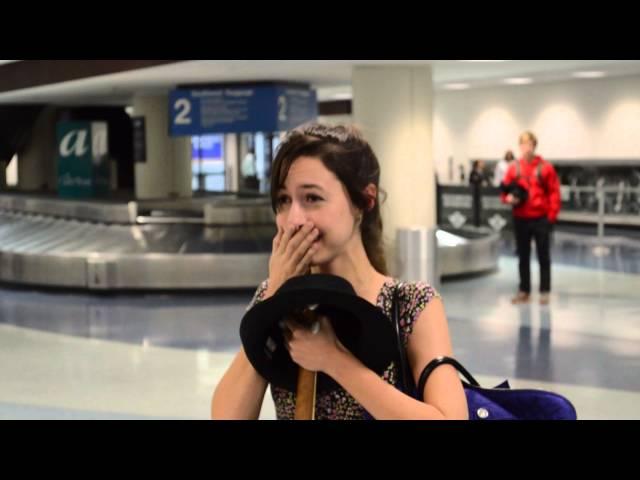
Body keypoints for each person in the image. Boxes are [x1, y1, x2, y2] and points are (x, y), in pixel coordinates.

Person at [211, 123, 468, 420]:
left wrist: (335, 361)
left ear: (364, 201)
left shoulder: (412, 303)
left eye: (312, 198)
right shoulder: (276, 299)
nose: (293, 219)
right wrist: (273, 299)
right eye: (283, 200)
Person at [501, 132, 561, 305]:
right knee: (523, 255)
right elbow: (505, 191)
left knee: (544, 255)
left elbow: (554, 193)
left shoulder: (545, 168)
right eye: (522, 144)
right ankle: (524, 290)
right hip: (521, 218)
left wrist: (551, 217)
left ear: (534, 145)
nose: (525, 147)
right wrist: (508, 199)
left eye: (529, 144)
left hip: (541, 218)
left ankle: (544, 291)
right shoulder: (514, 168)